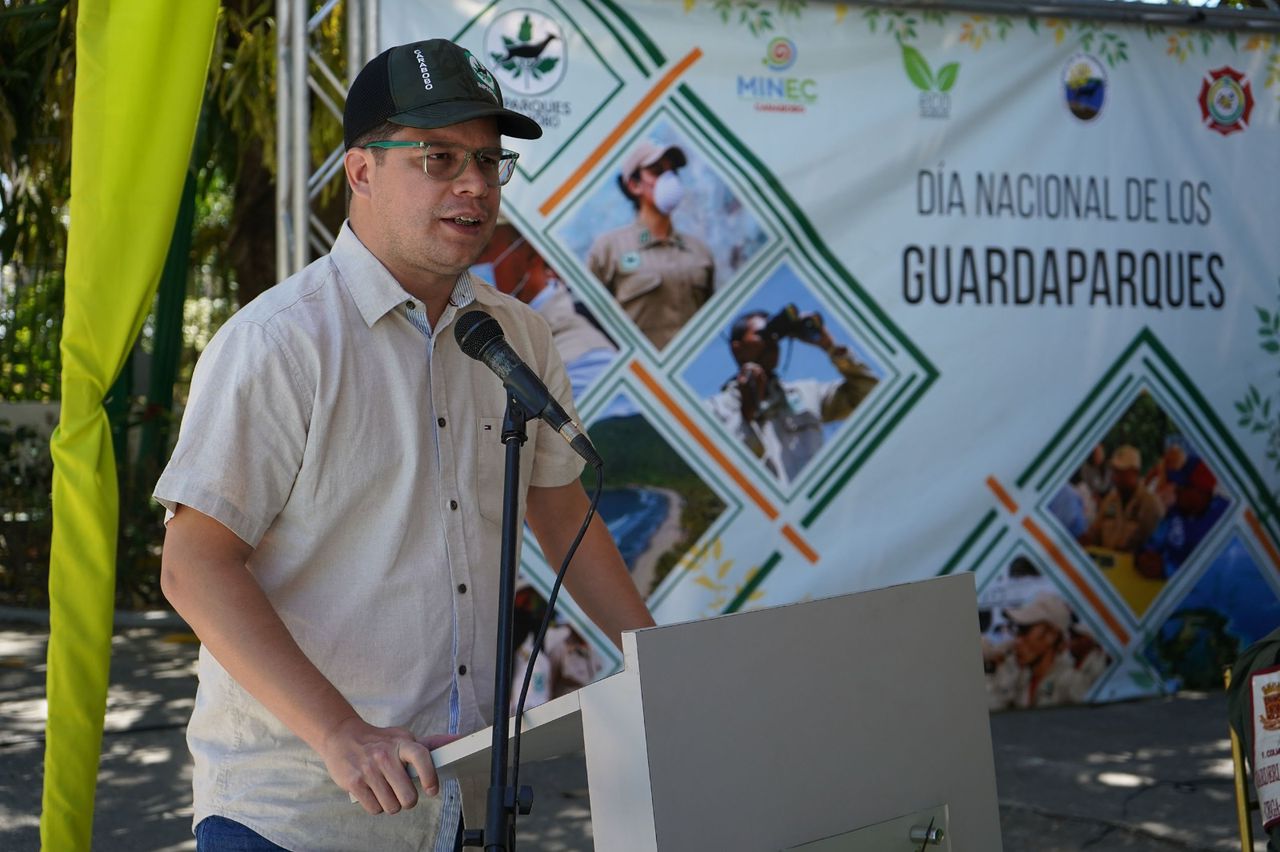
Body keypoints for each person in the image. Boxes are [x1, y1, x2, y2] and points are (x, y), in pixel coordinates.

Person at [154, 39, 654, 852]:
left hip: (456, 808)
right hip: (291, 817)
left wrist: (662, 669)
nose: (475, 185)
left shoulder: (517, 334)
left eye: (489, 161)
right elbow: (194, 565)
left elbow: (563, 513)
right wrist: (341, 733)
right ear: (360, 171)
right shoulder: (279, 343)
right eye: (439, 156)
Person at [705, 307, 878, 486]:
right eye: (762, 334)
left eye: (776, 334)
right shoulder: (715, 410)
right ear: (737, 349)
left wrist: (828, 345)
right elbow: (722, 472)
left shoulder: (808, 394)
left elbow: (870, 396)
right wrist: (746, 414)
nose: (772, 340)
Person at [585, 139, 715, 350]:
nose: (669, 179)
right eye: (657, 171)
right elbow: (587, 319)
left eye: (673, 172)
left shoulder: (699, 252)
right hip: (637, 377)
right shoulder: (609, 249)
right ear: (634, 184)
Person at [476, 221, 617, 399]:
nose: (470, 265)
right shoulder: (497, 334)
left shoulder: (584, 355)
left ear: (530, 252)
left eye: (482, 250)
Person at [986, 591, 1094, 709]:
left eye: (1024, 630)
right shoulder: (1021, 677)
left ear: (1050, 636)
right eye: (1015, 630)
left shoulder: (1071, 683)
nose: (1017, 641)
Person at [1135, 457, 1229, 579]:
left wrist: (1165, 569)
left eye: (1182, 487)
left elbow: (1211, 575)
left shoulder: (1222, 519)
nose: (1176, 489)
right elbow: (1155, 541)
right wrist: (1144, 555)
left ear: (1201, 493)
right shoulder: (1177, 509)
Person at [1079, 444, 1165, 554]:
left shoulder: (1151, 504)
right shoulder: (1110, 500)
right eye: (1115, 471)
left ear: (1135, 472)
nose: (1115, 477)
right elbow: (1094, 534)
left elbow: (1155, 546)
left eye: (1121, 472)